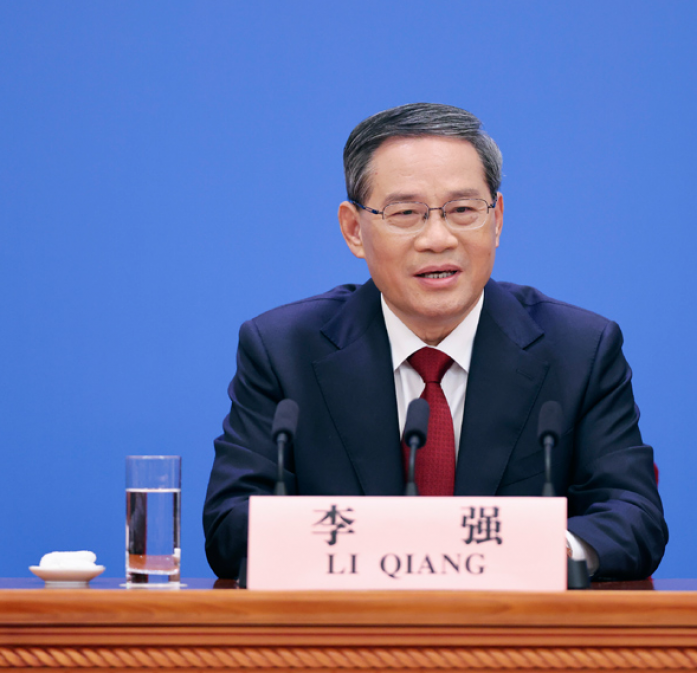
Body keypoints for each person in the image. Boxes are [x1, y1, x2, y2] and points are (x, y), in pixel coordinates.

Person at [203, 103, 668, 581]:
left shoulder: (579, 351)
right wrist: (392, 554)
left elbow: (634, 515)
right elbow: (230, 524)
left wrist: (540, 551)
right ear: (354, 230)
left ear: (497, 219)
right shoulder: (284, 351)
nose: (438, 238)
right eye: (406, 213)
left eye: (463, 210)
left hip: (513, 628)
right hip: (347, 628)